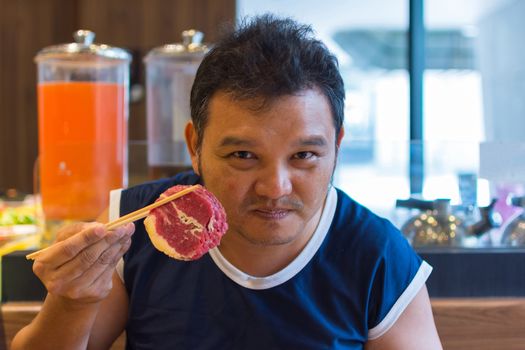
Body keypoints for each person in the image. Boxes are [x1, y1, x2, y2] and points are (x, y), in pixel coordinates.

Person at [13, 14, 442, 349]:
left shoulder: (376, 253)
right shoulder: (133, 227)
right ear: (194, 145)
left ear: (338, 145)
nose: (275, 187)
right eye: (242, 156)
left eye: (304, 156)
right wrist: (71, 302)